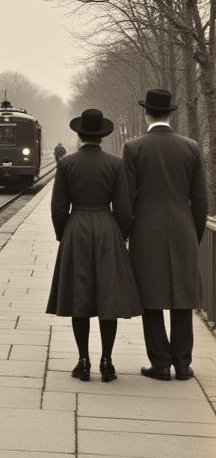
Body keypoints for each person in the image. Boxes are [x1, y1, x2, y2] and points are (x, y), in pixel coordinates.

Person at [47, 108, 141, 381]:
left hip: (76, 228)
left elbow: (58, 207)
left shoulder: (66, 164)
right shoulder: (115, 164)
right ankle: (107, 361)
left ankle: (83, 360)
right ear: (102, 136)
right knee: (107, 296)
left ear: (79, 134)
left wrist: (62, 234)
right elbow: (123, 207)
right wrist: (121, 234)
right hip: (106, 227)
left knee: (80, 297)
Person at [122, 88, 208, 381]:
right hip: (184, 230)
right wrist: (193, 234)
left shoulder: (133, 148)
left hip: (146, 233)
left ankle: (159, 362)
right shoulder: (191, 147)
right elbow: (200, 201)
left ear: (146, 113)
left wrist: (126, 232)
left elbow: (127, 199)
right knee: (183, 297)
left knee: (151, 298)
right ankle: (183, 364)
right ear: (170, 114)